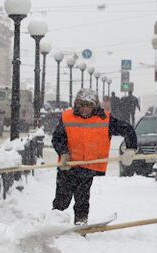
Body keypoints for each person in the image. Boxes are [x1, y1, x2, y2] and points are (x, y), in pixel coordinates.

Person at [52, 88, 138, 225]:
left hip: (88, 168)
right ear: (76, 104)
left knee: (82, 199)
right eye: (82, 105)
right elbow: (57, 138)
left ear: (95, 105)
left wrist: (130, 149)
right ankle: (54, 222)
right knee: (62, 199)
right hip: (68, 166)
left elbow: (128, 130)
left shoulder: (105, 119)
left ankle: (81, 222)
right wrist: (64, 153)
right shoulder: (67, 117)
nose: (85, 109)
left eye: (89, 105)